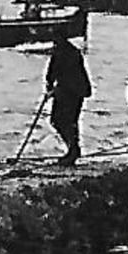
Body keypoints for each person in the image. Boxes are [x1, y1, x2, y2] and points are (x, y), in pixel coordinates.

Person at [45, 36, 92, 166]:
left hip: (67, 92)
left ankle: (73, 150)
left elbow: (52, 71)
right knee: (71, 121)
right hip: (78, 91)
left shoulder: (60, 52)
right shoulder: (74, 51)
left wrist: (49, 87)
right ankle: (73, 149)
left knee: (57, 120)